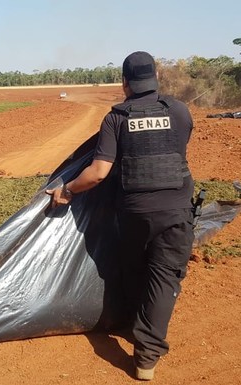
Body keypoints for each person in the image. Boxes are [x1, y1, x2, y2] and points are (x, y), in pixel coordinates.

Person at [46, 51, 194, 381]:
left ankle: (131, 323)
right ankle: (146, 356)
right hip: (175, 213)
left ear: (125, 83)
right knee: (165, 276)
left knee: (137, 268)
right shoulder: (180, 112)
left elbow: (98, 173)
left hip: (133, 214)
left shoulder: (117, 118)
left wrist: (67, 189)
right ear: (156, 78)